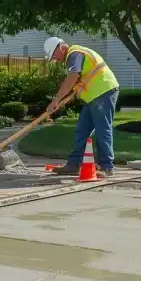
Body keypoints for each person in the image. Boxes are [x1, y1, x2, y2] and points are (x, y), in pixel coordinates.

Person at [43, 37, 120, 177]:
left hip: (103, 91)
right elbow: (78, 80)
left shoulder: (74, 54)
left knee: (103, 129)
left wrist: (56, 100)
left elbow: (73, 77)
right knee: (82, 129)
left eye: (54, 56)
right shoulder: (74, 55)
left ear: (61, 48)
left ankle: (106, 166)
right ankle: (73, 164)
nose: (55, 59)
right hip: (94, 96)